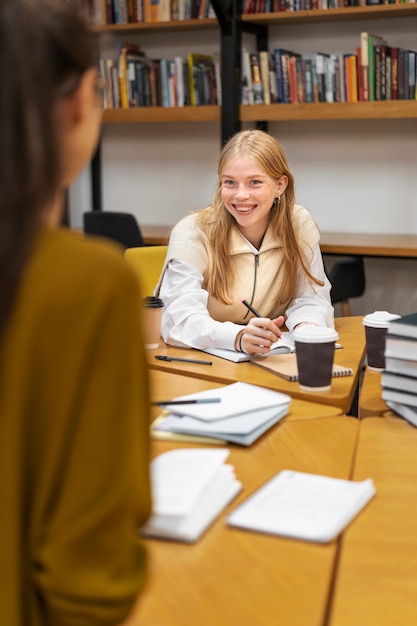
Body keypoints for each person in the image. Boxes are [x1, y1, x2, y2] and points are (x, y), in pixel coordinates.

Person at [0, 1, 151, 624]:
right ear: (82, 101)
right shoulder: (86, 285)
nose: (240, 194)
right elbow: (88, 582)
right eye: (232, 181)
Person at [157, 129, 334, 355]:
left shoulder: (299, 224)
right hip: (204, 359)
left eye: (254, 183)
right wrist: (238, 337)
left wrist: (306, 330)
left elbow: (312, 298)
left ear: (280, 185)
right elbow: (177, 317)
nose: (241, 195)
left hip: (272, 356)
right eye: (230, 182)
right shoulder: (193, 232)